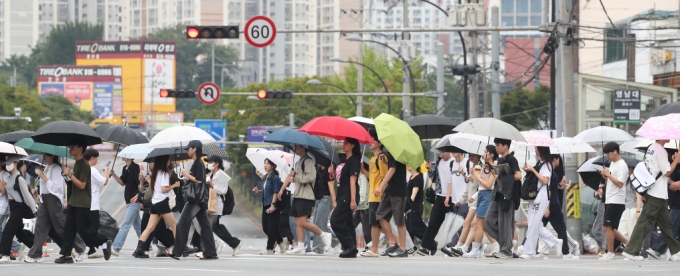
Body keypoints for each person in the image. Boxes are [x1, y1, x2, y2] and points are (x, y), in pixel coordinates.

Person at [624, 140, 680, 261]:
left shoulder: (651, 148)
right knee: (645, 222)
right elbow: (667, 172)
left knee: (666, 225)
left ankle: (676, 252)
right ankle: (631, 251)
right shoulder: (661, 151)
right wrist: (676, 160)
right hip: (656, 193)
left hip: (656, 192)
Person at [24, 154, 87, 263]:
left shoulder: (56, 168)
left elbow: (56, 187)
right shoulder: (47, 167)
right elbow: (44, 185)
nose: (43, 157)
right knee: (40, 226)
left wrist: (44, 176)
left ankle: (81, 247)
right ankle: (35, 254)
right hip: (44, 199)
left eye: (46, 155)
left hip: (53, 199)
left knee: (61, 227)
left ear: (52, 156)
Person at [56, 140, 111, 264]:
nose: (70, 148)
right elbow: (75, 185)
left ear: (80, 149)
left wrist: (70, 175)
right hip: (74, 202)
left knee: (83, 229)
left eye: (73, 146)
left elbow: (82, 185)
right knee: (68, 229)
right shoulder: (77, 163)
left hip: (82, 203)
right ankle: (65, 255)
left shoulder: (85, 165)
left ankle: (103, 241)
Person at [278, 145, 332, 254]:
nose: (295, 149)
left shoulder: (308, 161)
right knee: (297, 221)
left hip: (306, 196)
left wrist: (296, 177)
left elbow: (311, 177)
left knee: (303, 222)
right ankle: (301, 245)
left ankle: (324, 235)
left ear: (303, 148)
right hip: (298, 194)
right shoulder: (298, 162)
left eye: (297, 147)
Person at [172, 140, 217, 260]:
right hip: (199, 199)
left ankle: (177, 251)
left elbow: (199, 180)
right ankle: (211, 252)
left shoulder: (198, 163)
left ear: (195, 149)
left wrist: (186, 174)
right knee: (204, 225)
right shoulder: (197, 163)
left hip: (195, 200)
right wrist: (188, 178)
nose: (187, 150)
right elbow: (198, 180)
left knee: (182, 223)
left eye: (189, 148)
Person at [133, 155, 179, 259]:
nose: (169, 161)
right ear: (164, 161)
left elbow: (155, 188)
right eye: (168, 160)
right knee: (175, 226)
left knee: (149, 228)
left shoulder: (156, 173)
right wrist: (174, 185)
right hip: (162, 203)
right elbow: (164, 189)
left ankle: (139, 250)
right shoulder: (163, 174)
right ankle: (180, 248)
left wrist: (171, 168)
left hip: (155, 203)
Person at [520, 146, 561, 259]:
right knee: (535, 223)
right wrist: (528, 170)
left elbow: (545, 180)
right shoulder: (540, 163)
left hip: (541, 195)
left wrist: (533, 170)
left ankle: (529, 251)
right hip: (535, 195)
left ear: (542, 150)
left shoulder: (547, 165)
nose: (535, 151)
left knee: (534, 223)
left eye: (537, 149)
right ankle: (555, 242)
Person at [486, 138, 522, 259]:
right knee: (489, 220)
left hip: (508, 194)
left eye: (498, 145)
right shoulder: (500, 160)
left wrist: (503, 177)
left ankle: (506, 249)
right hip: (498, 193)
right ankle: (507, 243)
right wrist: (491, 168)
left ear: (505, 146)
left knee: (506, 222)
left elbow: (518, 175)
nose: (496, 147)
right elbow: (498, 176)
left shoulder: (511, 159)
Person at [360, 137, 396, 257]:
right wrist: (363, 170)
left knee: (375, 223)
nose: (370, 143)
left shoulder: (381, 158)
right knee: (374, 223)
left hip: (378, 196)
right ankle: (397, 242)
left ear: (380, 143)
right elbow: (372, 177)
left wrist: (381, 191)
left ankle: (375, 249)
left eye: (373, 141)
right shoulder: (373, 158)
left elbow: (385, 177)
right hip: (372, 195)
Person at [203, 155, 243, 257]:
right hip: (210, 203)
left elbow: (223, 191)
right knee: (214, 226)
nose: (209, 164)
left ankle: (212, 247)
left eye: (210, 162)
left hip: (216, 204)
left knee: (208, 226)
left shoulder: (222, 176)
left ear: (216, 164)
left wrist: (213, 186)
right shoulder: (210, 174)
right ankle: (235, 243)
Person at [417, 151, 455, 256]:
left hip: (453, 197)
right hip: (440, 196)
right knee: (433, 222)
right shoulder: (439, 161)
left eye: (443, 152)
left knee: (454, 223)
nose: (441, 154)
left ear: (449, 151)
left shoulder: (454, 162)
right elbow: (434, 179)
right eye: (440, 152)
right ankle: (426, 247)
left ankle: (454, 247)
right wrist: (429, 169)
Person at [464, 146, 498, 258]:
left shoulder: (494, 167)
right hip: (482, 195)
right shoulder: (484, 166)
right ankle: (484, 247)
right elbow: (481, 186)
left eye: (485, 152)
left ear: (492, 154)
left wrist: (478, 177)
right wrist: (475, 176)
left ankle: (476, 249)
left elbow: (488, 185)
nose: (483, 154)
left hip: (488, 196)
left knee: (478, 224)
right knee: (480, 224)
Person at [0, 158, 37, 263]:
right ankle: (36, 247)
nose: (7, 165)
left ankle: (5, 255)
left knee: (8, 231)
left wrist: (34, 209)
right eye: (6, 163)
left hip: (19, 206)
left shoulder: (19, 178)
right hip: (12, 206)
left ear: (16, 163)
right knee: (20, 233)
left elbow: (27, 195)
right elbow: (7, 193)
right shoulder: (11, 177)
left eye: (10, 163)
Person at [253, 159, 293, 254]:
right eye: (264, 163)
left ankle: (269, 248)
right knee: (266, 228)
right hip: (265, 203)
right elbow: (265, 190)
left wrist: (273, 205)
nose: (265, 165)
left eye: (267, 163)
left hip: (272, 205)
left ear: (273, 166)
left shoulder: (275, 177)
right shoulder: (265, 177)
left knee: (271, 228)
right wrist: (258, 191)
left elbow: (275, 191)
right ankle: (280, 241)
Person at [598, 142, 629, 261]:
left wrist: (608, 175)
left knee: (607, 226)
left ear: (615, 151)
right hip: (610, 198)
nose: (607, 156)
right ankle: (628, 244)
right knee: (609, 227)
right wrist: (606, 176)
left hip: (617, 199)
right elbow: (612, 181)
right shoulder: (613, 164)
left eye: (608, 153)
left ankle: (610, 253)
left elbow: (620, 184)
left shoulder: (622, 165)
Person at [331, 138, 362, 258]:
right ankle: (352, 249)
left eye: (346, 143)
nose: (343, 145)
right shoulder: (344, 159)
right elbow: (340, 178)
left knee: (335, 221)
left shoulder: (354, 161)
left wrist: (353, 200)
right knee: (348, 223)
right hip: (341, 194)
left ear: (353, 145)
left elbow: (352, 182)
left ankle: (349, 245)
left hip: (348, 196)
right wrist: (332, 172)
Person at [543, 154, 578, 260]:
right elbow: (548, 192)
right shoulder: (551, 173)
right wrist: (547, 207)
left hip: (551, 205)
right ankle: (566, 252)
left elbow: (552, 188)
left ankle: (527, 248)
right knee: (559, 229)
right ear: (555, 159)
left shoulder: (550, 172)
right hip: (552, 206)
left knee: (537, 228)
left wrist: (560, 186)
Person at [110, 157, 142, 256]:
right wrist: (114, 175)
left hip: (134, 201)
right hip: (128, 201)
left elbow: (139, 185)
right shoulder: (125, 168)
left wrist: (138, 197)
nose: (122, 155)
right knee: (138, 227)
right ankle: (147, 246)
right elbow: (122, 183)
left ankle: (116, 247)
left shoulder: (135, 167)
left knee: (125, 225)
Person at [439, 150, 469, 256]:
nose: (453, 152)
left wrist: (463, 173)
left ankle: (453, 246)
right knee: (460, 224)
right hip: (454, 199)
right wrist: (447, 197)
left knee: (460, 224)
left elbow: (471, 180)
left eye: (455, 150)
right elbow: (450, 182)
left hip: (465, 199)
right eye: (452, 150)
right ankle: (467, 247)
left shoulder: (467, 163)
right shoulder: (451, 164)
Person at [84, 149, 110, 258]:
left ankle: (91, 249)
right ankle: (104, 243)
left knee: (86, 229)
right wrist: (106, 170)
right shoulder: (92, 170)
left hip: (84, 203)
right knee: (92, 229)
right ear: (92, 158)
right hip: (92, 205)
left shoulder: (83, 169)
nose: (97, 160)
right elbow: (105, 181)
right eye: (96, 158)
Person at [311, 162, 340, 255]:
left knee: (319, 224)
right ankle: (337, 241)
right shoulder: (319, 169)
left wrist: (334, 202)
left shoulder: (329, 170)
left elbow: (331, 187)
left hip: (326, 198)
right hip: (318, 199)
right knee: (316, 223)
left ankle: (317, 248)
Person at [405, 166, 426, 248]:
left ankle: (430, 241)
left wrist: (408, 205)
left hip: (416, 206)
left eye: (410, 164)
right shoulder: (411, 177)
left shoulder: (418, 178)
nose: (408, 165)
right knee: (409, 228)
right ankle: (409, 247)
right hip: (412, 206)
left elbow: (414, 194)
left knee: (415, 228)